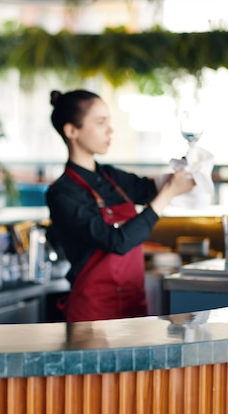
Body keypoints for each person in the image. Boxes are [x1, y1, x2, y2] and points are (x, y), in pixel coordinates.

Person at [45, 89, 195, 322]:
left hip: (133, 306)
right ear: (71, 130)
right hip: (93, 316)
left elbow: (149, 189)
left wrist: (191, 161)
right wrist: (166, 196)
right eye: (101, 122)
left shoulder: (110, 177)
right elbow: (117, 242)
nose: (110, 129)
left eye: (109, 121)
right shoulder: (62, 194)